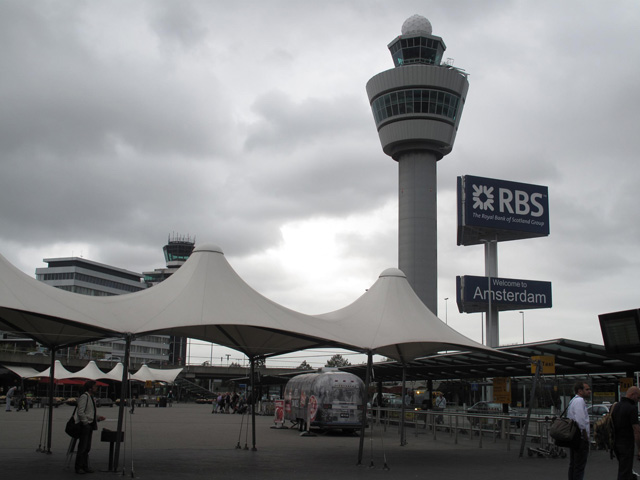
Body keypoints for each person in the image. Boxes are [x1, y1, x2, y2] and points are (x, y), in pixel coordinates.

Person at [75, 380, 106, 474]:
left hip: (90, 423)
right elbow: (80, 411)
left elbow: (90, 412)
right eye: (95, 386)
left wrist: (97, 417)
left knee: (87, 447)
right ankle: (79, 467)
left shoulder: (90, 397)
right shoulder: (85, 397)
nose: (96, 388)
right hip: (86, 425)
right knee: (83, 447)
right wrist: (85, 423)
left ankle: (85, 466)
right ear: (90, 388)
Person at [611, 386, 640, 480]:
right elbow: (636, 430)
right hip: (627, 444)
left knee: (623, 469)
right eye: (638, 397)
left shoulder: (616, 406)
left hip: (616, 443)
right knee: (625, 472)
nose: (638, 400)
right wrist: (639, 448)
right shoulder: (632, 408)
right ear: (633, 394)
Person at [567, 381, 591, 480]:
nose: (589, 391)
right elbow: (581, 421)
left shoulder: (573, 400)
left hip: (573, 437)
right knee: (579, 466)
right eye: (587, 389)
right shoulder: (580, 401)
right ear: (580, 391)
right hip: (580, 438)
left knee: (573, 464)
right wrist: (585, 436)